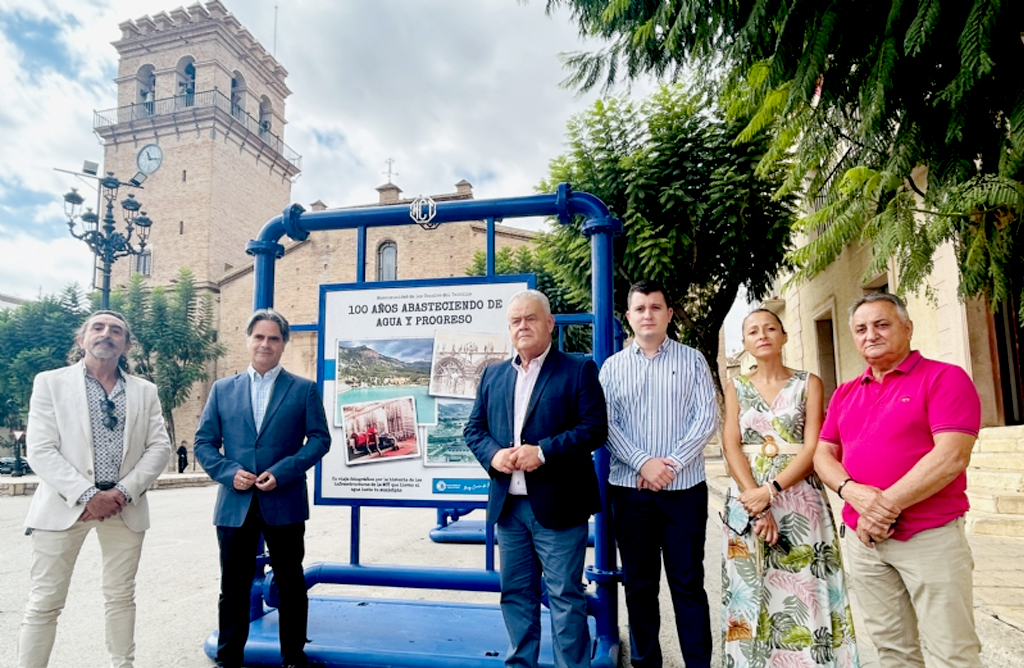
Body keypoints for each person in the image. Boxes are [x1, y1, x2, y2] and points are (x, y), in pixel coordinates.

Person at [814, 292, 982, 668]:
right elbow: (823, 455)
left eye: (882, 324)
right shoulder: (844, 394)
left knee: (953, 651)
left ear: (907, 327)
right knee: (893, 652)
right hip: (866, 545)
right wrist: (850, 491)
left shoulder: (944, 378)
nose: (870, 334)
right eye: (860, 328)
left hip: (929, 536)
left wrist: (881, 507)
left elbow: (952, 455)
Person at [18, 310, 171, 668]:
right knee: (45, 601)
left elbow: (159, 447)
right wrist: (89, 495)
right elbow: (40, 449)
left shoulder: (145, 391)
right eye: (97, 328)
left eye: (116, 330)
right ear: (81, 340)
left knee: (120, 596)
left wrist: (120, 493)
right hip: (64, 505)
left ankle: (123, 664)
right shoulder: (51, 383)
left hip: (124, 506)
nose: (106, 334)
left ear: (127, 345)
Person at [465, 289, 607, 668]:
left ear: (549, 323)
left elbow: (594, 429)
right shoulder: (493, 374)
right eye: (515, 321)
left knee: (565, 596)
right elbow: (473, 429)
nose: (522, 326)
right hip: (509, 509)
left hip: (559, 507)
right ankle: (520, 664)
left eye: (530, 318)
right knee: (515, 594)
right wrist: (494, 455)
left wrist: (542, 451)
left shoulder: (578, 369)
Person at [720, 309, 859, 667]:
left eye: (770, 328)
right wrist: (757, 501)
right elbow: (731, 444)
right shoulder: (737, 386)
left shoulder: (808, 383)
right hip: (748, 498)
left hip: (799, 498)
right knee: (751, 589)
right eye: (753, 331)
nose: (762, 334)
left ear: (783, 336)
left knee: (805, 586)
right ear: (746, 343)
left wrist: (773, 489)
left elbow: (814, 446)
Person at [194, 309, 331, 668]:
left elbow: (319, 439)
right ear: (248, 340)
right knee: (233, 588)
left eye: (273, 338)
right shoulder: (222, 390)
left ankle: (293, 656)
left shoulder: (304, 390)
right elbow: (204, 443)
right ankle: (228, 659)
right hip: (234, 503)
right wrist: (228, 471)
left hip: (283, 499)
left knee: (290, 583)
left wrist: (284, 471)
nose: (265, 344)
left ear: (284, 344)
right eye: (259, 337)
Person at [598, 280, 717, 668]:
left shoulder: (693, 360)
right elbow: (606, 424)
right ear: (629, 317)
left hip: (684, 492)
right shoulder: (612, 368)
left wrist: (669, 466)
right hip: (630, 494)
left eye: (655, 307)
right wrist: (642, 463)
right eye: (640, 308)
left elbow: (706, 418)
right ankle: (647, 664)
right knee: (640, 586)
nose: (647, 314)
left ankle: (698, 663)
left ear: (668, 313)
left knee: (687, 584)